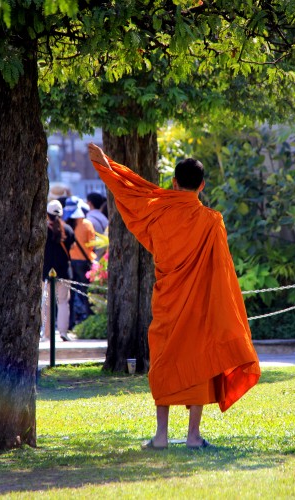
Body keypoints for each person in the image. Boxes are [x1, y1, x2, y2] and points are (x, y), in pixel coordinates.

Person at [88, 143, 261, 450]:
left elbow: (133, 194)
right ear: (203, 185)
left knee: (165, 363)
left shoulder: (159, 210)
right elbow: (221, 270)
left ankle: (161, 436)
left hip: (168, 301)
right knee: (199, 363)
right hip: (199, 305)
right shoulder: (212, 221)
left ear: (174, 183)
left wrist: (107, 168)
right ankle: (193, 437)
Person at [42, 200, 75, 342]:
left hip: (45, 273)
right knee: (63, 303)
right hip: (63, 272)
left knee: (47, 304)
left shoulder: (42, 230)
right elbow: (72, 248)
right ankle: (63, 332)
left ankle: (47, 334)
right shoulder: (67, 229)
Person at [63, 196, 96, 328]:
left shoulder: (65, 225)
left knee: (71, 293)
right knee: (86, 291)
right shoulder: (87, 224)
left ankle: (71, 322)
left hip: (70, 263)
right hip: (84, 262)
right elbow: (92, 245)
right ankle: (87, 319)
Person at [86, 192, 109, 260]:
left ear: (89, 203)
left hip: (95, 256)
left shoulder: (88, 219)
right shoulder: (104, 218)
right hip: (105, 254)